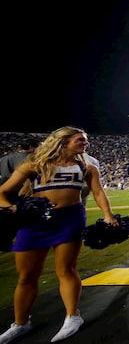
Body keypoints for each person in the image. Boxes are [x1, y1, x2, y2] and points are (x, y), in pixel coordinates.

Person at [0, 127, 117, 343]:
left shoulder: (87, 167)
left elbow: (99, 192)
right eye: (79, 140)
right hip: (35, 223)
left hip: (70, 219)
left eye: (85, 140)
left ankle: (73, 316)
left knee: (66, 269)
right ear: (62, 142)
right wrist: (13, 210)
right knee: (27, 276)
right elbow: (3, 193)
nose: (85, 143)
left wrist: (108, 215)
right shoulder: (34, 165)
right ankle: (20, 323)